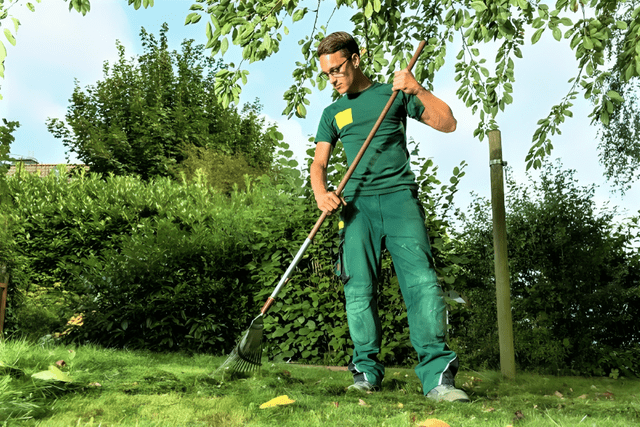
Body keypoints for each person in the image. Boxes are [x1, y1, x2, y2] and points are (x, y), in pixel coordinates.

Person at [310, 32, 469, 402]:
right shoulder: (332, 113)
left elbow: (448, 122)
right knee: (358, 291)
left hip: (400, 201)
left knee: (422, 285)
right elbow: (319, 163)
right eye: (326, 74)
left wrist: (416, 89)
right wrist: (322, 193)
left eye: (337, 69)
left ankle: (438, 379)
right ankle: (365, 372)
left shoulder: (392, 95)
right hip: (355, 208)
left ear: (355, 59)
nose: (332, 78)